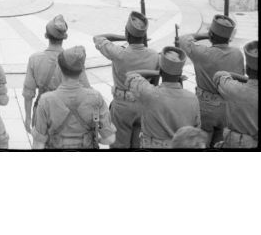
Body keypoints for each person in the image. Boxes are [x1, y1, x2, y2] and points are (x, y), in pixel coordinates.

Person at [93, 11, 160, 148]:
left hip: (122, 107)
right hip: (143, 105)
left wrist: (123, 36)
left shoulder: (119, 53)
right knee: (138, 145)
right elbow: (155, 82)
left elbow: (98, 38)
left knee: (119, 146)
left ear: (127, 34)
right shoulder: (154, 56)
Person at [31, 46, 116, 149]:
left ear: (59, 68)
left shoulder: (45, 100)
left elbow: (38, 145)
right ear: (82, 70)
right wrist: (96, 140)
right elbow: (110, 139)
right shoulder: (96, 97)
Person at [179, 14, 245, 147]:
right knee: (220, 142)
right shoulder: (237, 54)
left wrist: (205, 34)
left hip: (206, 108)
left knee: (202, 141)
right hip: (227, 108)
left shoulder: (202, 53)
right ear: (229, 38)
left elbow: (183, 39)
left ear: (211, 35)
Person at [23, 15, 91, 132]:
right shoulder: (73, 59)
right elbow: (86, 89)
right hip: (66, 113)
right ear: (64, 37)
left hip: (42, 110)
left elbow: (28, 93)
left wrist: (28, 117)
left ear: (46, 36)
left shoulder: (34, 59)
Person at [125, 46, 201, 149]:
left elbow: (131, 75)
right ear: (180, 73)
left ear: (161, 71)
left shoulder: (149, 93)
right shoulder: (193, 99)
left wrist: (159, 72)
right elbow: (196, 129)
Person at [213, 40, 258, 148]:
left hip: (231, 143)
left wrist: (246, 79)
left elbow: (218, 76)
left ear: (247, 69)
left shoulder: (232, 88)